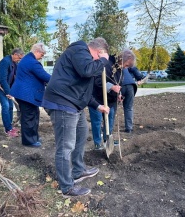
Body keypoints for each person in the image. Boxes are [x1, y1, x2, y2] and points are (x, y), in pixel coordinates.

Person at [42, 37, 110, 198]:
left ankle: (78, 171)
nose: (98, 62)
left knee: (82, 133)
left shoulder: (83, 59)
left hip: (73, 104)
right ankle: (67, 187)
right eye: (99, 57)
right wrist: (104, 61)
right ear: (98, 52)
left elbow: (84, 91)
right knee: (66, 146)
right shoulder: (79, 50)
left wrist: (98, 105)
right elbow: (87, 70)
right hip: (62, 103)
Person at [10, 43, 51, 148]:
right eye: (42, 54)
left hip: (24, 94)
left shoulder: (26, 60)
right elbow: (44, 76)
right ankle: (29, 141)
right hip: (26, 95)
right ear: (37, 51)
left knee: (33, 115)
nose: (42, 57)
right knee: (29, 117)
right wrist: (57, 81)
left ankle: (33, 137)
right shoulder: (32, 62)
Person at [89, 55, 122, 150]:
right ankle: (97, 143)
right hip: (97, 99)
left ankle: (107, 140)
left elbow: (119, 84)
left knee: (110, 120)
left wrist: (119, 93)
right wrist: (111, 87)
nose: (125, 67)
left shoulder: (119, 69)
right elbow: (98, 81)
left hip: (110, 100)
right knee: (97, 122)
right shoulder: (103, 66)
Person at [0, 48, 24, 137]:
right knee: (6, 106)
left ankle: (10, 126)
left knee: (10, 106)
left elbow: (17, 76)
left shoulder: (14, 63)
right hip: (0, 86)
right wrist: (8, 92)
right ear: (15, 54)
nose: (19, 60)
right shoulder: (5, 62)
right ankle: (8, 129)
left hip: (8, 87)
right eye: (19, 58)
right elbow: (3, 79)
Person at [119, 49, 144, 133]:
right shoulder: (128, 64)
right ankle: (128, 128)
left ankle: (108, 128)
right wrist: (139, 78)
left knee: (112, 106)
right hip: (131, 85)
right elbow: (134, 69)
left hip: (120, 85)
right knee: (128, 107)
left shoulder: (117, 63)